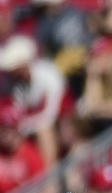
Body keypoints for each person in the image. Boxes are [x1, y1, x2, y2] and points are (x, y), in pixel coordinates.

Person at [0, 34, 65, 164]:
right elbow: (18, 111)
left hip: (62, 122)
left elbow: (51, 114)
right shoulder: (16, 85)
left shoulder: (48, 74)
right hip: (33, 123)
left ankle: (49, 177)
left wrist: (26, 123)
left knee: (43, 130)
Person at [0, 97, 45, 193]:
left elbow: (43, 188)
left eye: (10, 128)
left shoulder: (30, 153)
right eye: (2, 128)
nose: (5, 133)